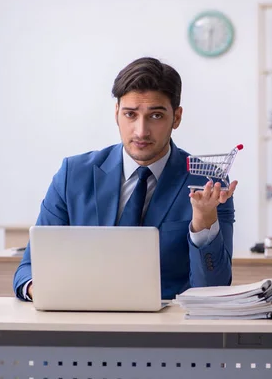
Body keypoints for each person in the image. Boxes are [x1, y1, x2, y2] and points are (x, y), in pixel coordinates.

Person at [12, 57, 238, 301]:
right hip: (84, 320)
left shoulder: (209, 183)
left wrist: (203, 222)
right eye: (130, 114)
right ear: (117, 113)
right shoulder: (73, 175)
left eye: (156, 116)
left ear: (177, 117)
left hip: (168, 330)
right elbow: (29, 268)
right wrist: (43, 290)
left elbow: (213, 290)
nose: (141, 131)